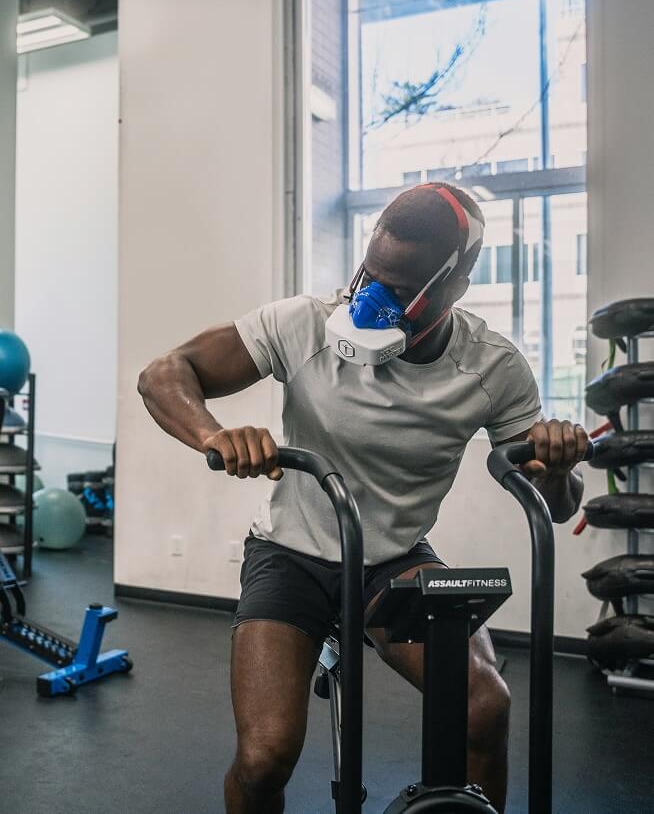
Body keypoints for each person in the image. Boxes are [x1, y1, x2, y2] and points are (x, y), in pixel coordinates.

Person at [138, 182, 588, 814]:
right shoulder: (304, 323)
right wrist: (214, 434)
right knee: (264, 759)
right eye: (368, 276)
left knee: (484, 709)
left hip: (393, 561)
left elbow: (559, 504)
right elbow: (163, 374)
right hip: (290, 556)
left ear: (456, 282)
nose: (372, 299)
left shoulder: (492, 367)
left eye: (399, 289)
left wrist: (556, 462)